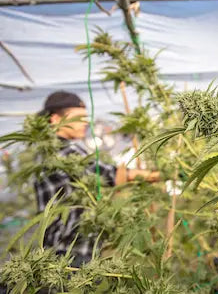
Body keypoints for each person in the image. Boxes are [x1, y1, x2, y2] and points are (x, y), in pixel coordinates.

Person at [35, 91, 160, 266]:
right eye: (78, 117)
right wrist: (158, 175)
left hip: (68, 249)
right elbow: (111, 174)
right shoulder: (59, 152)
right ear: (55, 119)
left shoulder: (54, 151)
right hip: (68, 251)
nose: (86, 123)